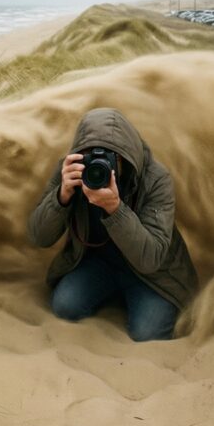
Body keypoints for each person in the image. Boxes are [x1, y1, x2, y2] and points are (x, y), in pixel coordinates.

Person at [27, 108, 198, 341]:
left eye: (108, 158)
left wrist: (115, 209)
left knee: (148, 333)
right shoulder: (72, 170)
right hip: (99, 262)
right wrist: (62, 195)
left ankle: (130, 297)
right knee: (65, 307)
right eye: (90, 156)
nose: (98, 166)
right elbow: (38, 236)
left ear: (123, 157)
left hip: (152, 274)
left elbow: (150, 259)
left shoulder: (155, 179)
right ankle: (116, 294)